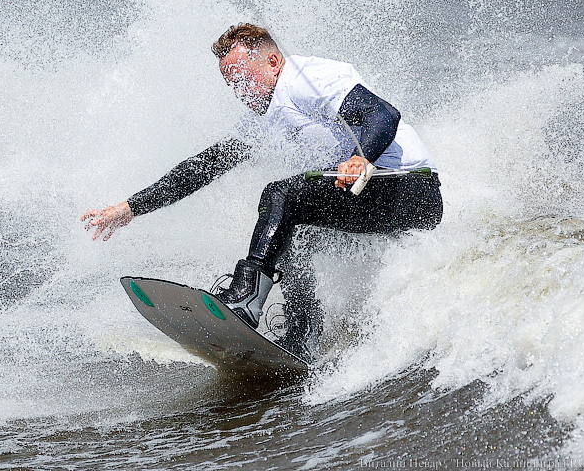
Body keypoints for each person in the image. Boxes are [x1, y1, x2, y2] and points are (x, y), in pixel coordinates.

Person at [81, 23, 442, 361]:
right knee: (289, 231)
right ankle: (304, 337)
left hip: (411, 188)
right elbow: (202, 168)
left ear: (272, 62)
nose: (238, 91)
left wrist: (359, 156)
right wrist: (130, 208)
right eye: (230, 84)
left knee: (281, 195)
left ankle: (246, 298)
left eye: (242, 77)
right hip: (369, 196)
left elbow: (382, 113)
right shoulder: (261, 118)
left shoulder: (305, 79)